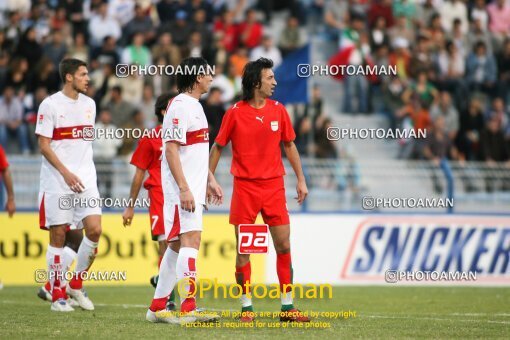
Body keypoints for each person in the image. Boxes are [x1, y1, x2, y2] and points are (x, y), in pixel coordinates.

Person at [209, 58, 310, 323]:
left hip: (274, 187)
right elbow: (218, 146)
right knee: (244, 250)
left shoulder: (279, 111)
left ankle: (288, 308)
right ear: (256, 82)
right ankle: (246, 308)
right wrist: (209, 178)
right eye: (270, 78)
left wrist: (301, 179)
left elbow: (289, 146)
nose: (275, 83)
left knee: (284, 244)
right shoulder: (234, 112)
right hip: (245, 189)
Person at [146, 57, 223, 324]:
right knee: (191, 242)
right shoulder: (179, 106)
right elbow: (170, 149)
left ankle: (157, 308)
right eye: (207, 73)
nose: (211, 77)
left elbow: (195, 151)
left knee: (177, 247)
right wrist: (184, 188)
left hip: (192, 188)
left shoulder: (194, 106)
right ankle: (188, 307)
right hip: (182, 191)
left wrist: (210, 179)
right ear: (196, 77)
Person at [35, 58, 102, 312]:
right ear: (69, 77)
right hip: (57, 180)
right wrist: (65, 173)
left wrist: (79, 174)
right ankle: (58, 296)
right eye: (83, 74)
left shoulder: (90, 105)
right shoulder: (50, 105)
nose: (88, 78)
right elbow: (44, 145)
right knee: (59, 236)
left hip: (86, 179)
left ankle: (74, 284)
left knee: (94, 231)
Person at [122, 92, 178, 310]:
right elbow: (139, 174)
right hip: (159, 196)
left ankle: (162, 282)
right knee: (166, 245)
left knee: (181, 246)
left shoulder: (183, 136)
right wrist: (130, 206)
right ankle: (168, 300)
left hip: (181, 197)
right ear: (165, 111)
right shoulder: (150, 138)